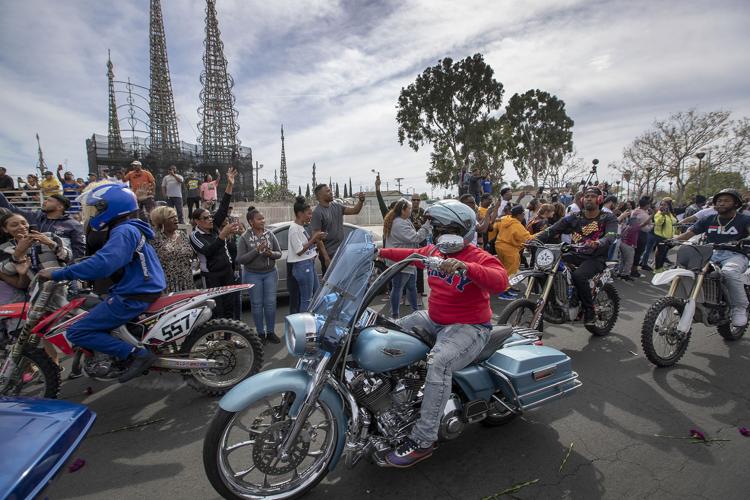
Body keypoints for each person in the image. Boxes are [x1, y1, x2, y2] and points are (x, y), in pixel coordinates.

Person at [378, 199, 508, 467]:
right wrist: (378, 251)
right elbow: (411, 255)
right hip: (434, 319)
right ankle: (391, 402)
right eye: (437, 228)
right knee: (383, 333)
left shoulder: (477, 255)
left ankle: (424, 439)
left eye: (444, 229)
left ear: (463, 231)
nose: (439, 235)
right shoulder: (434, 252)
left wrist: (467, 268)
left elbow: (500, 279)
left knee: (439, 362)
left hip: (469, 326)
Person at [37, 182, 167, 383]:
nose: (94, 213)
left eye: (98, 208)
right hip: (140, 288)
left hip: (133, 293)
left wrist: (59, 274)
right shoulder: (129, 228)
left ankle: (136, 354)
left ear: (110, 207)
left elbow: (104, 263)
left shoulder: (123, 231)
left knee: (78, 331)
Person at [535, 186, 618, 325]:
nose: (588, 198)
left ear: (599, 199)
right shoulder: (575, 217)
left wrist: (599, 242)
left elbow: (610, 236)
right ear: (581, 199)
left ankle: (589, 311)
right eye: (586, 196)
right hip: (575, 253)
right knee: (545, 268)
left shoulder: (608, 218)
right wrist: (534, 240)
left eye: (592, 196)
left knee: (579, 276)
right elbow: (553, 229)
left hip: (596, 258)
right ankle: (554, 304)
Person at [674, 189, 750, 327]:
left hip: (736, 255)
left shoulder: (744, 219)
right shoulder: (709, 219)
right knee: (686, 270)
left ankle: (739, 308)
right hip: (710, 253)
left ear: (736, 203)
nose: (721, 203)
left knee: (729, 272)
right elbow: (690, 233)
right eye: (719, 201)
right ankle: (688, 301)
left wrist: (744, 240)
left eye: (726, 200)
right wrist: (671, 240)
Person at [190, 168, 241, 319]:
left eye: (210, 217)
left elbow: (223, 207)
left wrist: (230, 185)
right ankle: (217, 340)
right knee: (216, 309)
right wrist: (222, 236)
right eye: (206, 218)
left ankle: (229, 339)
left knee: (229, 307)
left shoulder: (214, 227)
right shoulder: (195, 235)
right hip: (212, 276)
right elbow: (208, 251)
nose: (211, 219)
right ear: (198, 221)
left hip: (227, 272)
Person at [237, 206, 282, 343]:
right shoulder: (244, 237)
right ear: (251, 222)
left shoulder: (269, 234)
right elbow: (240, 259)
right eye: (259, 219)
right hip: (252, 274)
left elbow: (278, 253)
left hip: (270, 273)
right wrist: (257, 250)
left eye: (263, 218)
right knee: (256, 304)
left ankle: (270, 332)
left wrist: (271, 254)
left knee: (270, 303)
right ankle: (260, 333)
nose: (263, 221)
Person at [0, 189, 85, 259]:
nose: (44, 202)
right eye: (45, 200)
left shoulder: (74, 225)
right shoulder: (34, 216)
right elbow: (9, 207)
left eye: (49, 201)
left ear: (60, 207)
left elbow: (79, 251)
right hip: (31, 265)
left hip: (61, 266)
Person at [383, 199, 432, 318]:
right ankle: (395, 315)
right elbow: (416, 238)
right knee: (398, 288)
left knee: (411, 287)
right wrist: (426, 226)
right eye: (409, 208)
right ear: (403, 210)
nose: (411, 210)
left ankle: (415, 312)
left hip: (407, 260)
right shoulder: (399, 223)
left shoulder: (402, 221)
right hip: (401, 261)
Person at [310, 183, 364, 274]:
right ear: (320, 195)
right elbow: (318, 238)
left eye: (330, 190)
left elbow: (355, 210)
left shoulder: (337, 206)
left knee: (342, 282)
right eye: (327, 191)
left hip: (341, 253)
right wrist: (326, 259)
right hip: (330, 256)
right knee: (330, 284)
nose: (331, 192)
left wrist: (361, 201)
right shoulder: (317, 212)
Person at [288, 196, 326, 313]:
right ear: (300, 213)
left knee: (317, 295)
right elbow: (299, 251)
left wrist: (315, 242)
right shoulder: (294, 229)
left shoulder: (301, 227)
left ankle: (314, 323)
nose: (311, 216)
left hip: (308, 264)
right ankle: (304, 327)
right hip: (302, 266)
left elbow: (307, 247)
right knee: (307, 300)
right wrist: (314, 238)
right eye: (309, 214)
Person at [150, 206, 195, 293]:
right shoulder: (154, 238)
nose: (176, 219)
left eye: (176, 216)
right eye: (171, 217)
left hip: (187, 280)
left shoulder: (182, 234)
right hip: (168, 284)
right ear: (162, 221)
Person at [494, 205, 533, 298]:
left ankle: (507, 286)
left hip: (499, 245)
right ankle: (503, 291)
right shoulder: (516, 225)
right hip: (509, 249)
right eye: (523, 214)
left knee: (504, 268)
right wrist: (542, 233)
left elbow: (495, 225)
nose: (524, 216)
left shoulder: (505, 219)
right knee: (510, 270)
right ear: (519, 215)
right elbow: (527, 238)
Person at [652, 199, 678, 272]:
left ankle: (660, 267)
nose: (663, 206)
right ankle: (657, 269)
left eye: (665, 205)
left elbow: (674, 222)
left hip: (668, 237)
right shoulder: (659, 214)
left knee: (664, 254)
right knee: (660, 254)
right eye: (661, 205)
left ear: (669, 206)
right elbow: (658, 223)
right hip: (660, 237)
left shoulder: (670, 214)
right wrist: (663, 215)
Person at [631, 196, 653, 277]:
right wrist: (652, 225)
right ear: (646, 205)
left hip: (633, 233)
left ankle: (631, 269)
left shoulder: (635, 211)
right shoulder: (644, 214)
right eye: (649, 204)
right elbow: (646, 228)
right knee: (638, 252)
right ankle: (634, 271)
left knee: (634, 252)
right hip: (641, 234)